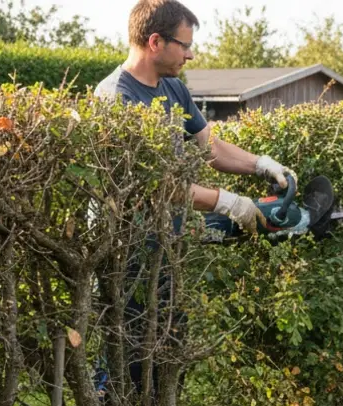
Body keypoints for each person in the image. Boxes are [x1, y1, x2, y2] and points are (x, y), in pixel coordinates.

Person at [94, 0, 297, 236]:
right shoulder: (118, 98)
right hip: (125, 241)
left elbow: (209, 146)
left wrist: (262, 165)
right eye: (184, 46)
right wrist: (230, 203)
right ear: (155, 42)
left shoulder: (173, 87)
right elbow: (154, 185)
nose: (190, 55)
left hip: (167, 236)